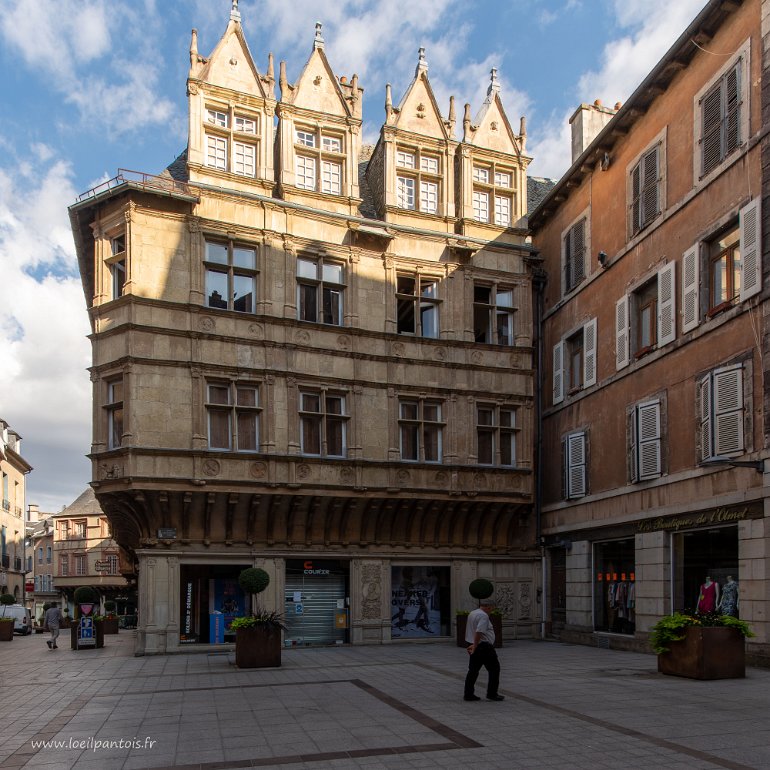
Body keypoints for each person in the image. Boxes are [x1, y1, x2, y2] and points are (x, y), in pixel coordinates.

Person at [463, 598, 504, 702]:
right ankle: (492, 694)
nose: (492, 611)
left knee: (473, 670)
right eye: (492, 609)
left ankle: (468, 694)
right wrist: (476, 645)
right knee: (494, 669)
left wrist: (472, 645)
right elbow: (479, 632)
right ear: (488, 607)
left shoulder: (473, 613)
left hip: (473, 644)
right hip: (483, 647)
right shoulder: (483, 616)